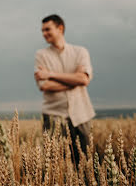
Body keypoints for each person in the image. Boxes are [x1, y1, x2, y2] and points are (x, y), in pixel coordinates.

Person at [34, 14, 94, 164]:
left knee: (84, 163)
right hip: (53, 115)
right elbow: (44, 85)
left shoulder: (80, 52)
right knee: (56, 165)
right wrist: (73, 80)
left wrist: (50, 74)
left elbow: (83, 79)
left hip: (81, 114)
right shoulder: (41, 55)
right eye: (42, 30)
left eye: (47, 29)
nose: (44, 34)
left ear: (60, 28)